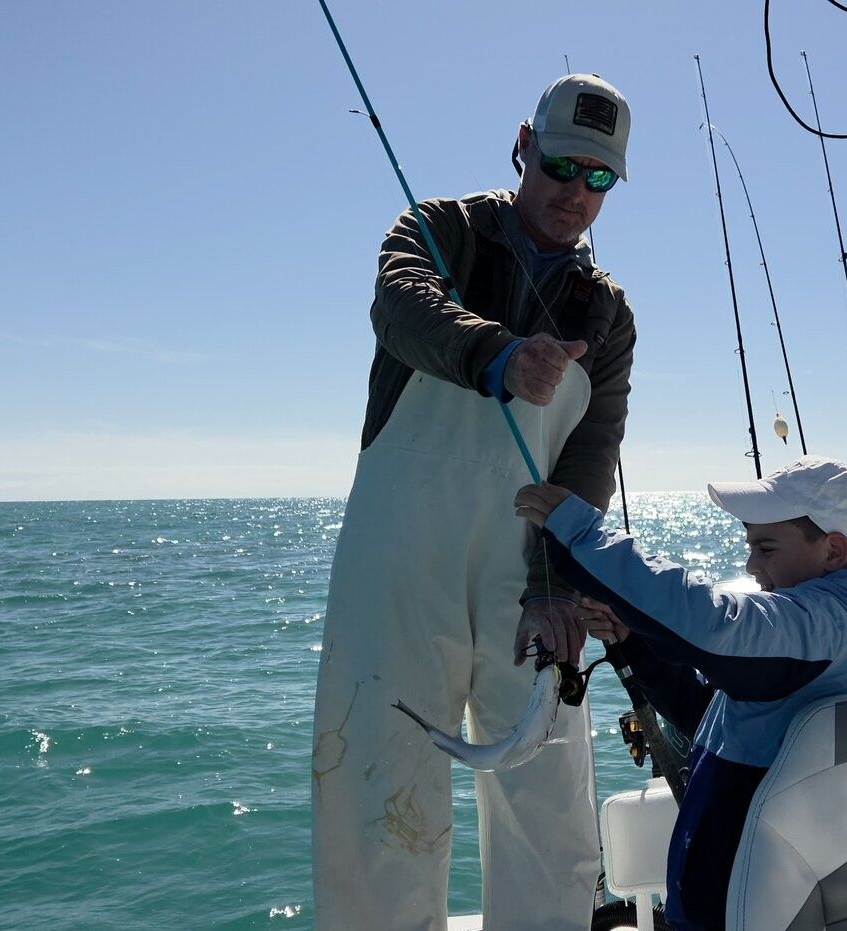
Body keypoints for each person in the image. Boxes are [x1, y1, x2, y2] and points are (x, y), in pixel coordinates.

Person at [311, 73, 636, 931]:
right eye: (563, 165)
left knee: (554, 818)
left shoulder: (607, 314)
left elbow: (593, 448)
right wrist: (497, 356)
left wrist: (558, 585)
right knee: (382, 805)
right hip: (399, 560)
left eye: (599, 179)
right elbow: (400, 304)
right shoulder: (439, 231)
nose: (575, 193)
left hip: (524, 573)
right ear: (523, 145)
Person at [514, 455, 847, 931]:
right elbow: (706, 713)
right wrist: (634, 641)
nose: (750, 565)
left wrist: (582, 534)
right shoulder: (822, 634)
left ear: (832, 550)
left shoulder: (827, 627)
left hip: (748, 908)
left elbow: (709, 623)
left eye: (766, 548)